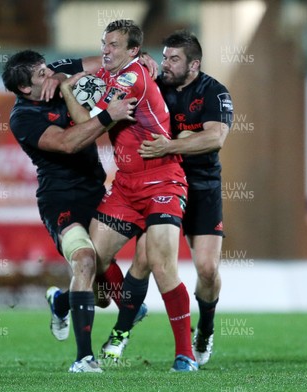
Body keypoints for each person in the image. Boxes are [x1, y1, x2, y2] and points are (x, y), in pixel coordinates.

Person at [58, 19, 198, 372]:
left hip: (163, 182)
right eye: (104, 43)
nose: (106, 50)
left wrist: (68, 89)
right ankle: (127, 310)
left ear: (133, 51)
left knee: (162, 265)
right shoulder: (112, 75)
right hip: (125, 185)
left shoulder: (132, 78)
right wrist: (70, 82)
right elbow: (85, 99)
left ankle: (185, 354)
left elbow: (92, 119)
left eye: (114, 45)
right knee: (93, 260)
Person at [1, 49, 137, 373]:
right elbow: (67, 143)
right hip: (59, 198)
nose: (49, 75)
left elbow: (108, 61)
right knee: (85, 260)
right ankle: (84, 359)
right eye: (42, 76)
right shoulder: (23, 118)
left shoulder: (56, 73)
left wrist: (138, 59)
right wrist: (108, 115)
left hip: (94, 190)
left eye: (48, 69)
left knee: (100, 294)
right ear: (25, 89)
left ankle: (61, 301)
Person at [138, 30, 233, 366]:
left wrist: (171, 145)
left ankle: (205, 330)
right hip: (160, 184)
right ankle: (123, 323)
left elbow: (214, 139)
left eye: (174, 59)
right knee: (145, 259)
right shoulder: (155, 84)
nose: (166, 64)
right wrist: (138, 62)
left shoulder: (214, 92)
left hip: (202, 185)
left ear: (194, 64)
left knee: (207, 269)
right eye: (164, 57)